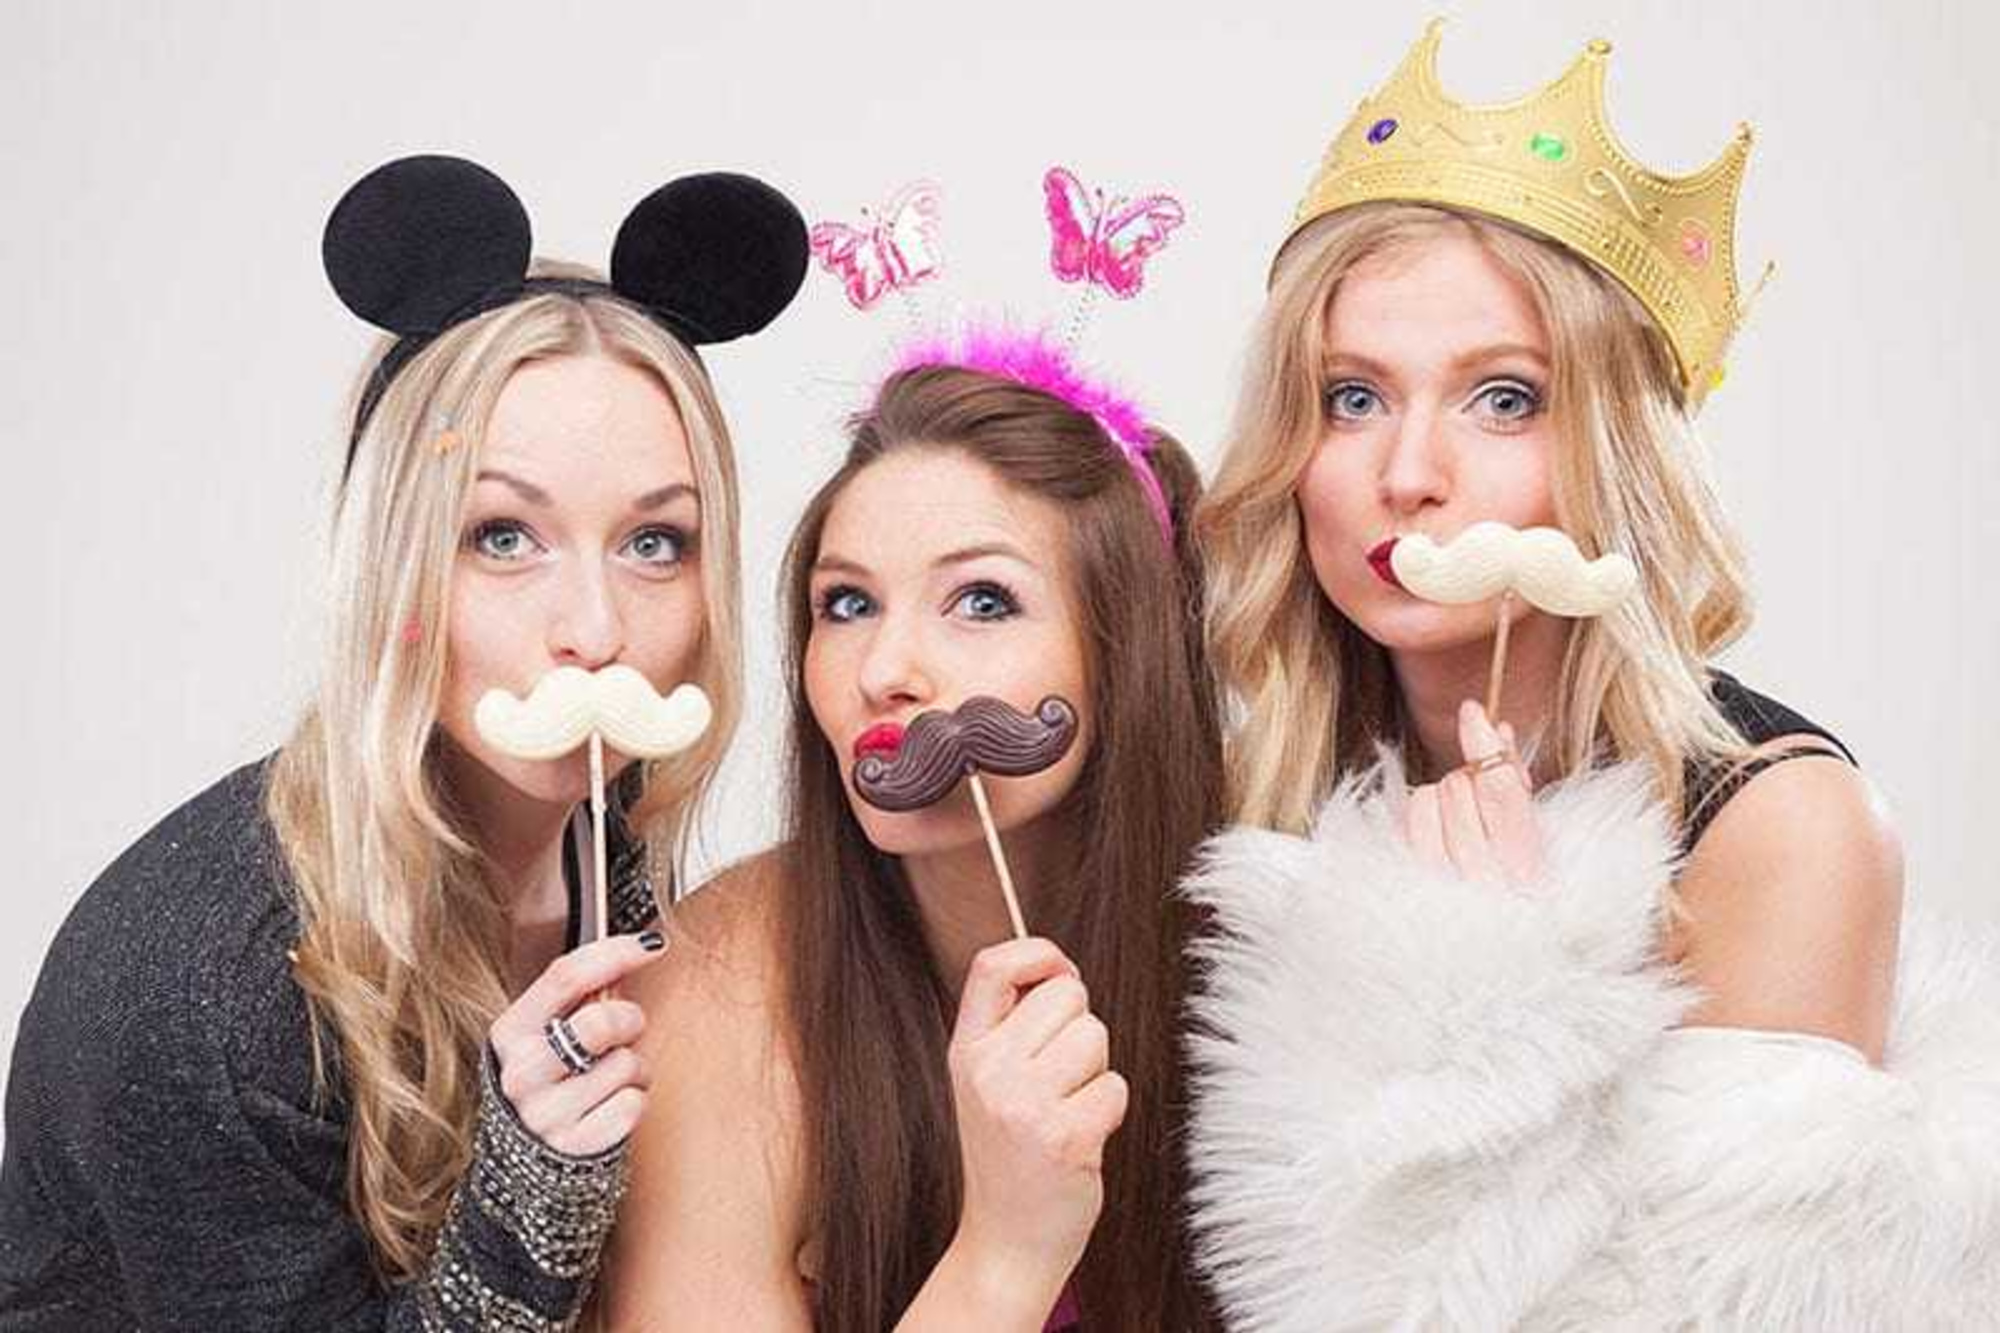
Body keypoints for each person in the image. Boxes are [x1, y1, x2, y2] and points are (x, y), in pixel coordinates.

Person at [1182, 23, 1999, 1330]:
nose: (1410, 472)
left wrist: (1485, 982)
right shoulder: (1257, 790)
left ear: (1614, 448)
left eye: (1502, 399)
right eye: (1352, 398)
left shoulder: (1782, 829)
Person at [0, 155, 808, 1329]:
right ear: (388, 568)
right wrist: (535, 1191)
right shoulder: (209, 991)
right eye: (500, 536)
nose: (594, 630)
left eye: (653, 544)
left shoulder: (595, 850)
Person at [598, 334, 1222, 1332]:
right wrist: (1005, 1250)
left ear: (1125, 656)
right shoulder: (724, 978)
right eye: (846, 604)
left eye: (981, 600)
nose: (885, 667)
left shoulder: (1262, 953)